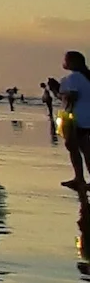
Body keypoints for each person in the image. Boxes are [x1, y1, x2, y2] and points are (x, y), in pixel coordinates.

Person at [59, 51, 90, 190]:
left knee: (72, 147)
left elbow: (71, 97)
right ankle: (80, 178)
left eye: (65, 60)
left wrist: (59, 92)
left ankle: (79, 178)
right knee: (85, 148)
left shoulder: (74, 77)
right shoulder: (86, 76)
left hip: (74, 116)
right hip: (86, 116)